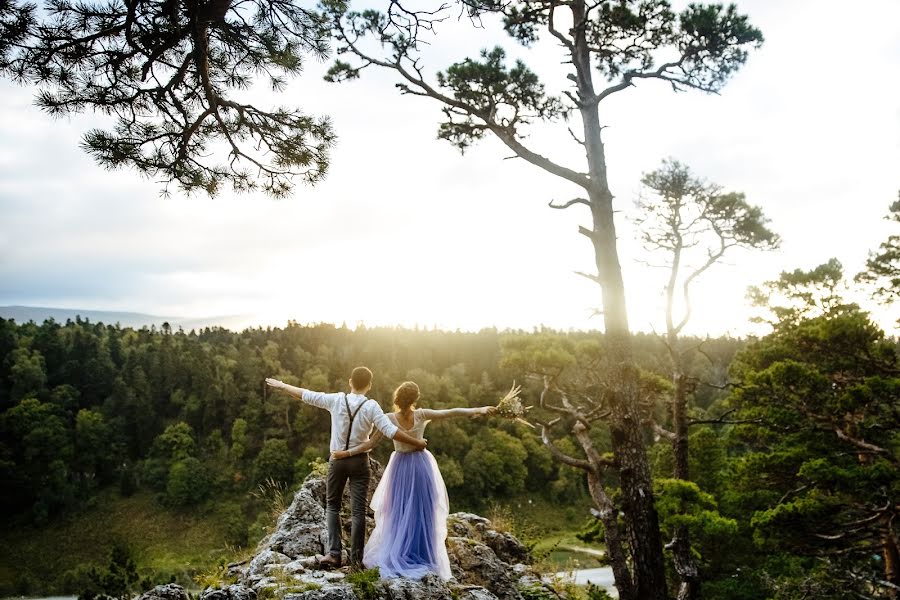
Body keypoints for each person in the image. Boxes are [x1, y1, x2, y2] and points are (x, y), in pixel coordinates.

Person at [332, 380, 520, 580]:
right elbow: (451, 412)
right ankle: (422, 555)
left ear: (397, 398)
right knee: (423, 512)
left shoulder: (388, 418)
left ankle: (400, 553)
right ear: (415, 399)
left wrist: (346, 453)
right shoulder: (421, 415)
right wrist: (480, 409)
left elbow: (370, 443)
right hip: (421, 467)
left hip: (400, 469)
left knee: (398, 512)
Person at [265, 367, 427, 570]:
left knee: (332, 506)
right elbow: (390, 431)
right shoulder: (372, 406)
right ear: (369, 385)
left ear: (351, 382)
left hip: (337, 461)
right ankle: (356, 561)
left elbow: (306, 395)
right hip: (360, 462)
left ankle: (334, 555)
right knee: (358, 511)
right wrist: (416, 443)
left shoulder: (336, 400)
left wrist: (282, 386)